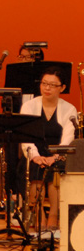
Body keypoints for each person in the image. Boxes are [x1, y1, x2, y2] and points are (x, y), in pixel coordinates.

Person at [20, 67, 76, 236]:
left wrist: (56, 156)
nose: (47, 88)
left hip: (58, 154)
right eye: (44, 83)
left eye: (52, 85)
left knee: (56, 168)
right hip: (34, 153)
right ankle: (39, 216)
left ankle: (53, 215)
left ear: (62, 88)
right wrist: (36, 156)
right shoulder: (29, 106)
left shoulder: (69, 109)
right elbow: (25, 136)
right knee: (36, 168)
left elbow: (68, 139)